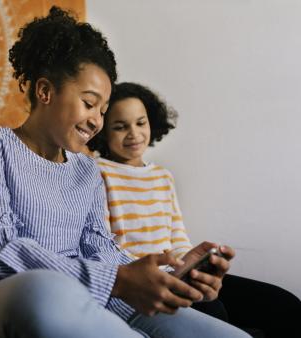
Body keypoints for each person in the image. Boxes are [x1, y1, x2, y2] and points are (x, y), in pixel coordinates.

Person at [0, 7, 251, 338]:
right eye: (89, 103)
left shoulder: (87, 170)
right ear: (45, 91)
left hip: (88, 288)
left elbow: (101, 250)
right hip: (4, 289)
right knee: (44, 292)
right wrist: (117, 280)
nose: (97, 120)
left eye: (103, 110)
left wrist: (172, 274)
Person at [87, 81, 301, 337]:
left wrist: (192, 265)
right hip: (144, 281)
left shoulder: (163, 177)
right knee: (214, 309)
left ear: (151, 123)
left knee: (285, 305)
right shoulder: (99, 173)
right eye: (120, 127)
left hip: (177, 272)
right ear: (102, 132)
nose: (133, 133)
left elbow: (177, 237)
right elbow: (102, 245)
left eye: (140, 123)